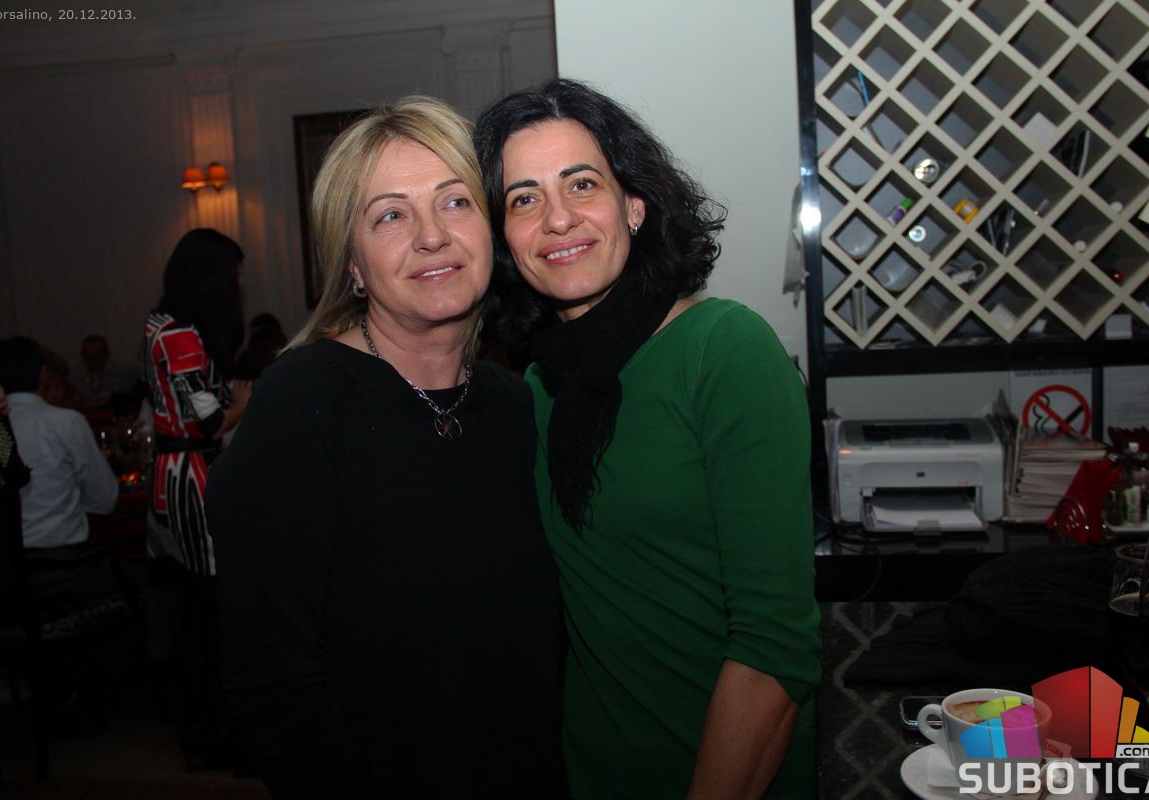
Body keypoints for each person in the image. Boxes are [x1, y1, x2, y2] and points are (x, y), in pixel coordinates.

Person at [206, 96, 563, 798]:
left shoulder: (518, 404)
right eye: (391, 216)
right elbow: (273, 684)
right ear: (353, 264)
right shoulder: (302, 402)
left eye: (455, 202)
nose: (432, 236)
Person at [475, 78, 821, 799]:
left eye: (582, 184)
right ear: (504, 237)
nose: (558, 219)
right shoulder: (535, 390)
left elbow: (776, 650)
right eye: (524, 199)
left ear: (634, 205)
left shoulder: (724, 351)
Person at [143, 228, 250, 768]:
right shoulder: (181, 334)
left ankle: (198, 725)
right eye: (233, 278)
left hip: (171, 475)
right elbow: (210, 420)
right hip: (194, 478)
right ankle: (212, 733)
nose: (238, 288)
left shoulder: (157, 325)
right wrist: (246, 401)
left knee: (192, 609)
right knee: (210, 612)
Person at [0, 337, 117, 549]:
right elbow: (104, 499)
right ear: (42, 373)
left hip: (3, 558)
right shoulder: (65, 422)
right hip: (66, 556)